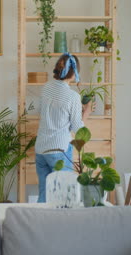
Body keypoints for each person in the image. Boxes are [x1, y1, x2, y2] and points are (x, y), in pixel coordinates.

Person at [35, 52, 94, 203]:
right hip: (59, 151)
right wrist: (86, 112)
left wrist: (73, 108)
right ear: (74, 73)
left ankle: (38, 223)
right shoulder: (73, 96)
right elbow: (78, 129)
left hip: (41, 149)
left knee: (44, 193)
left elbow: (44, 109)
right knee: (64, 196)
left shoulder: (46, 87)